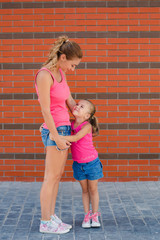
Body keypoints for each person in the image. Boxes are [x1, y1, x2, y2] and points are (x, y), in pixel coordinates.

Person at [35, 35, 83, 234]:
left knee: (56, 177)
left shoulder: (61, 75)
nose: (74, 69)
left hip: (64, 129)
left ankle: (51, 215)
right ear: (63, 57)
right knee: (50, 177)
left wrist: (84, 111)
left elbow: (70, 102)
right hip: (56, 132)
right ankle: (45, 222)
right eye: (73, 65)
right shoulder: (45, 75)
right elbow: (46, 110)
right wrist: (55, 136)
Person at [50, 99, 103, 228]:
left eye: (82, 106)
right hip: (78, 164)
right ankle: (87, 215)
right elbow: (56, 124)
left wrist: (57, 137)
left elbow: (75, 138)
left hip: (92, 163)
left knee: (93, 190)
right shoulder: (70, 124)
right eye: (77, 104)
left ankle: (95, 215)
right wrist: (45, 126)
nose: (77, 106)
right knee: (85, 191)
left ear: (87, 116)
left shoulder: (87, 126)